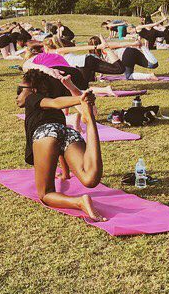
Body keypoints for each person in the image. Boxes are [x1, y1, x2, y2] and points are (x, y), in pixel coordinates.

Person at [16, 68, 105, 222]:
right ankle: (90, 122)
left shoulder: (33, 98)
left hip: (46, 134)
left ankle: (79, 202)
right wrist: (65, 173)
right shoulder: (53, 114)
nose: (17, 95)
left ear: (33, 89)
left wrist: (80, 99)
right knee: (90, 178)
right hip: (67, 132)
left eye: (19, 90)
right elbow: (59, 144)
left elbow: (56, 102)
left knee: (45, 195)